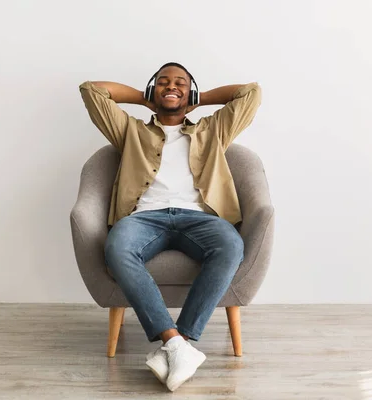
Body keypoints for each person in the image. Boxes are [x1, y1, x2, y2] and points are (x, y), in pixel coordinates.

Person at [79, 62, 261, 391]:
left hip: (201, 217)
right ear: (153, 89)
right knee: (117, 248)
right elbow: (92, 90)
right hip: (144, 217)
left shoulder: (213, 129)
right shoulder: (130, 131)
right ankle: (175, 342)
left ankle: (181, 343)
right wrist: (145, 98)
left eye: (179, 82)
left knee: (231, 245)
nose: (171, 86)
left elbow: (251, 93)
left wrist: (198, 97)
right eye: (163, 82)